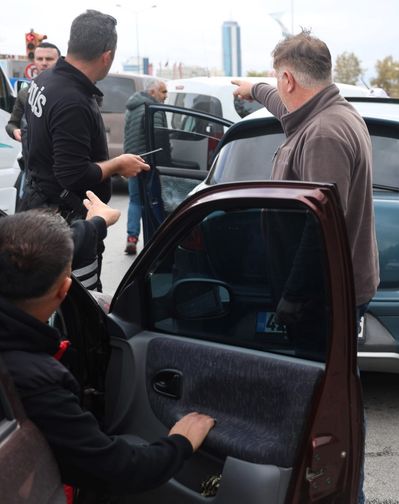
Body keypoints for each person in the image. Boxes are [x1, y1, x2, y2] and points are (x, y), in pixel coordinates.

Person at [231, 30, 378, 504]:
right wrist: (253, 90)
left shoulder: (324, 136)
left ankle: (339, 491)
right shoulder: (324, 113)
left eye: (278, 80)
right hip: (330, 292)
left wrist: (291, 301)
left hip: (321, 296)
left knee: (327, 404)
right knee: (334, 391)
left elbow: (319, 234)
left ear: (291, 76)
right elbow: (284, 106)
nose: (278, 87)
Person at [0, 209, 215, 496]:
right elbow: (116, 469)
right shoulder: (34, 380)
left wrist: (95, 224)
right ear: (65, 290)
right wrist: (181, 441)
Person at [22, 10, 149, 291]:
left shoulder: (45, 80)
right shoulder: (72, 100)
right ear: (107, 56)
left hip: (39, 208)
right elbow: (73, 174)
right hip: (65, 225)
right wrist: (118, 165)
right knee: (79, 308)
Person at [122, 78, 167, 255]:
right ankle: (155, 241)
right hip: (149, 163)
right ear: (152, 92)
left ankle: (131, 238)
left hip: (132, 160)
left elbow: (127, 136)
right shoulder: (153, 109)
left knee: (135, 201)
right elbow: (160, 136)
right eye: (163, 92)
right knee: (153, 201)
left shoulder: (131, 108)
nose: (165, 96)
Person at [5, 42, 61, 143]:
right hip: (30, 156)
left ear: (59, 61)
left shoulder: (70, 91)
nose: (44, 63)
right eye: (39, 59)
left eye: (49, 59)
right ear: (34, 61)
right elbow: (12, 124)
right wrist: (14, 131)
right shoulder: (25, 93)